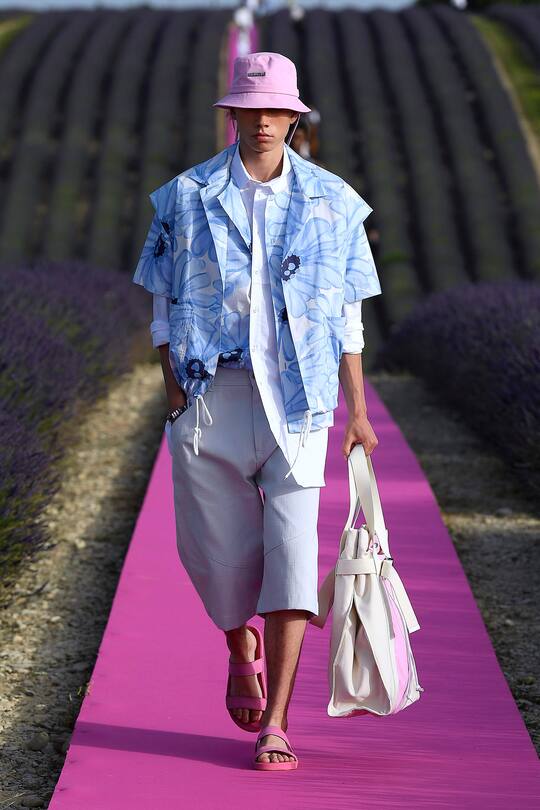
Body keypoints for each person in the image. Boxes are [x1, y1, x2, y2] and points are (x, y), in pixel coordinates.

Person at [132, 51, 382, 771]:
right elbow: (161, 294)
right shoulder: (185, 195)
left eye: (279, 110)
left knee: (293, 557)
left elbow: (347, 317)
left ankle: (276, 721)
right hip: (215, 392)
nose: (266, 120)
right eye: (253, 108)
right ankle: (237, 641)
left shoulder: (335, 203)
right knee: (216, 551)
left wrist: (358, 411)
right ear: (233, 113)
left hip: (302, 402)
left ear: (295, 117)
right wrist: (172, 385)